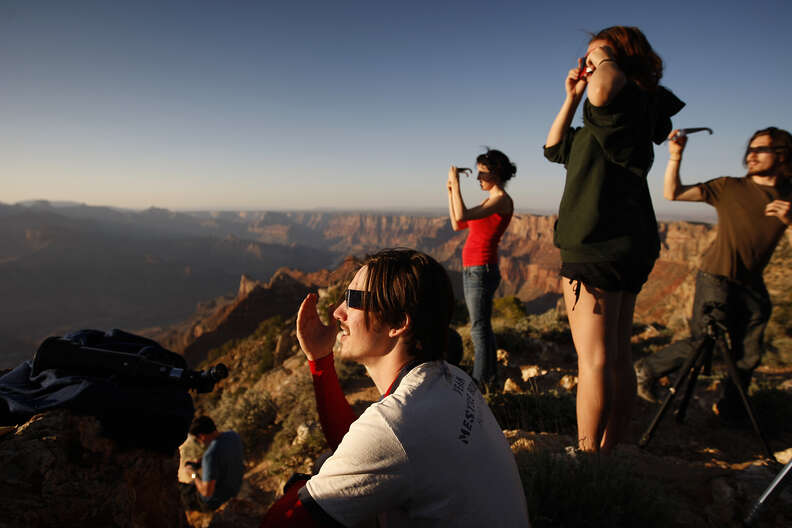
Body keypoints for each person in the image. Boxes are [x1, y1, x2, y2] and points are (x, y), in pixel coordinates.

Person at [261, 248, 530, 527]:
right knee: (329, 464)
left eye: (353, 300)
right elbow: (360, 449)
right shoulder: (451, 379)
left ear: (399, 323)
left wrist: (302, 486)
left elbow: (280, 522)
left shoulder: (398, 422)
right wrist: (320, 360)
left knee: (317, 477)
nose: (337, 311)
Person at [543, 26, 684, 452]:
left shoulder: (623, 103)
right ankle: (613, 450)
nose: (588, 64)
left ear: (617, 57)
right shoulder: (618, 115)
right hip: (626, 243)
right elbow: (553, 148)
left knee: (595, 360)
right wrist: (571, 94)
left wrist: (600, 55)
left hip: (595, 241)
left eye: (594, 56)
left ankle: (590, 461)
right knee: (617, 355)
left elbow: (603, 89)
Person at [635, 127, 792, 422]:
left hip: (752, 282)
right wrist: (676, 156)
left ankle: (733, 413)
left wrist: (789, 220)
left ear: (782, 155)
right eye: (751, 149)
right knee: (705, 342)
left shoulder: (789, 196)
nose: (751, 155)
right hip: (716, 276)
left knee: (749, 353)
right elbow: (673, 193)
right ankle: (648, 369)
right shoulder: (729, 187)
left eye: (761, 150)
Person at [447, 149, 516, 386]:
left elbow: (463, 213)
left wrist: (457, 184)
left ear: (496, 174)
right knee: (482, 327)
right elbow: (458, 222)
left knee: (478, 329)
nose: (478, 179)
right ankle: (490, 377)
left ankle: (481, 382)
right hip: (473, 269)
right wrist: (450, 189)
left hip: (481, 270)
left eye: (482, 174)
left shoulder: (501, 201)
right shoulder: (489, 201)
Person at [180, 416, 245, 512]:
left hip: (215, 502)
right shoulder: (233, 436)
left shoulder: (210, 456)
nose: (199, 442)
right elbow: (223, 455)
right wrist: (201, 462)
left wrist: (193, 474)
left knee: (180, 491)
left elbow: (206, 493)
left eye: (197, 440)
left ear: (201, 436)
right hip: (235, 489)